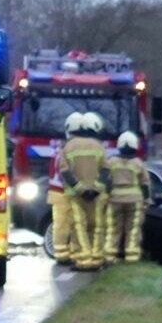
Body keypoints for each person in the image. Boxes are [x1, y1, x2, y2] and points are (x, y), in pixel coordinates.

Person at [59, 111, 109, 270]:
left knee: (79, 227)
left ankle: (84, 260)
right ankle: (97, 258)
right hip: (97, 196)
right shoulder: (99, 146)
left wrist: (80, 189)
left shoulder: (68, 147)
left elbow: (64, 171)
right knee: (97, 227)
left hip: (76, 195)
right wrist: (96, 189)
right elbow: (106, 170)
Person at [104, 131, 149, 264]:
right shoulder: (139, 163)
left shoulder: (111, 162)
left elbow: (106, 182)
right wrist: (146, 201)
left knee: (113, 229)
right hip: (135, 201)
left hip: (115, 200)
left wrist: (106, 197)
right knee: (133, 229)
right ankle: (131, 257)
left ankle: (109, 256)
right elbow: (145, 184)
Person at [45, 115, 78, 266]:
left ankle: (62, 254)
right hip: (66, 191)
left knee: (61, 225)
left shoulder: (60, 147)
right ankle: (70, 254)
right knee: (73, 224)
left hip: (57, 191)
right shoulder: (72, 149)